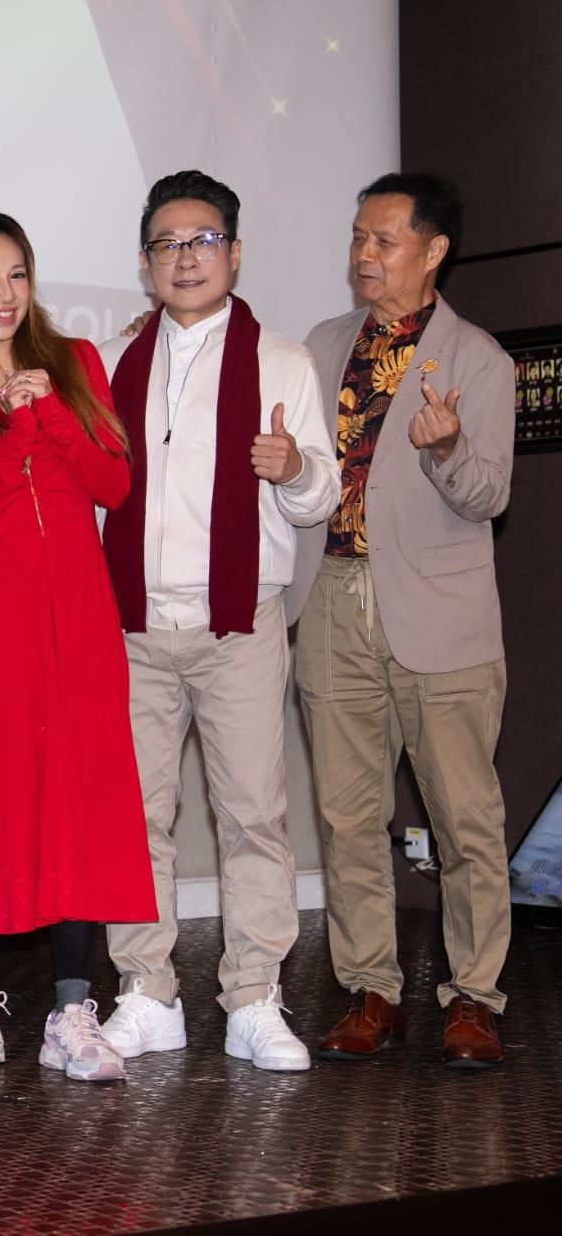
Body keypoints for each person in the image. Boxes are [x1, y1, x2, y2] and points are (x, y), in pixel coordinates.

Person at [95, 171, 338, 1072]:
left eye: (202, 240)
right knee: (135, 820)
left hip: (238, 624)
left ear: (234, 252)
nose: (185, 258)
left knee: (253, 817)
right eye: (167, 243)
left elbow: (321, 497)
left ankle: (254, 997)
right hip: (133, 627)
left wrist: (292, 467)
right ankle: (146, 991)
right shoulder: (114, 360)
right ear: (146, 262)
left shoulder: (283, 360)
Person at [0, 211, 155, 1082]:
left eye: (16, 272)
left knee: (79, 800)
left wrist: (50, 408)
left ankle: (72, 1010)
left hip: (82, 617)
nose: (4, 292)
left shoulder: (76, 361)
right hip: (0, 619)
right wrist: (16, 430)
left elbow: (113, 482)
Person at [287, 174, 514, 1068]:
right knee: (347, 815)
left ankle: (475, 999)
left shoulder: (478, 359)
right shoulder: (322, 344)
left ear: (434, 250)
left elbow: (490, 494)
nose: (364, 255)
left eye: (384, 240)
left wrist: (448, 447)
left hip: (440, 610)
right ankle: (370, 989)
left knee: (465, 819)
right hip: (331, 597)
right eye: (358, 237)